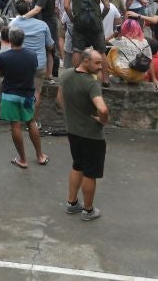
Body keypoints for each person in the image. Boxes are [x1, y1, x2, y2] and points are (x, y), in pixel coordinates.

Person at [59, 48, 109, 221]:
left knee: (77, 166)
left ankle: (72, 202)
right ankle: (88, 210)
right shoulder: (91, 83)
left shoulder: (66, 74)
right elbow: (103, 109)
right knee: (90, 173)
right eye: (97, 63)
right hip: (92, 135)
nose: (100, 66)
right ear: (85, 61)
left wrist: (71, 115)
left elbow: (59, 98)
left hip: (73, 131)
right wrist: (103, 120)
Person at [0, 27, 47, 169]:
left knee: (15, 125)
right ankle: (40, 155)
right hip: (27, 94)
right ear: (23, 39)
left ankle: (23, 159)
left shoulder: (3, 57)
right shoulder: (32, 55)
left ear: (10, 39)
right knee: (31, 122)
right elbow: (34, 70)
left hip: (10, 95)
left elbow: (1, 72)